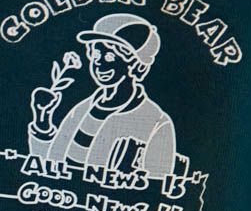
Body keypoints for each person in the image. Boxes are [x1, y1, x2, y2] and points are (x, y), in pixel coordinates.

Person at [28, 13, 177, 179]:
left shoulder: (156, 123)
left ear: (136, 65)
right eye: (97, 54)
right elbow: (47, 166)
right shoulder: (82, 109)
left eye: (110, 56)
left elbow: (158, 187)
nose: (99, 62)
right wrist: (42, 121)